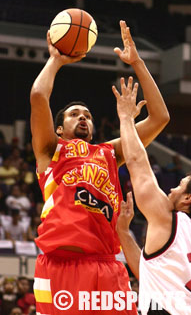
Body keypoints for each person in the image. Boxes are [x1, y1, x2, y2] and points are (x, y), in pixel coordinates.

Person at [30, 20, 169, 314]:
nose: (83, 118)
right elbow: (38, 97)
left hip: (107, 265)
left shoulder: (109, 152)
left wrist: (138, 63)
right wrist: (56, 60)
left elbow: (159, 118)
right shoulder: (51, 150)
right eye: (74, 115)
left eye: (88, 115)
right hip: (60, 265)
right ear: (58, 128)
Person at [113, 77, 191, 314]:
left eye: (179, 186)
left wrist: (126, 119)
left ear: (188, 199)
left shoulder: (168, 218)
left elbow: (137, 162)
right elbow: (153, 277)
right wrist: (123, 232)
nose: (171, 189)